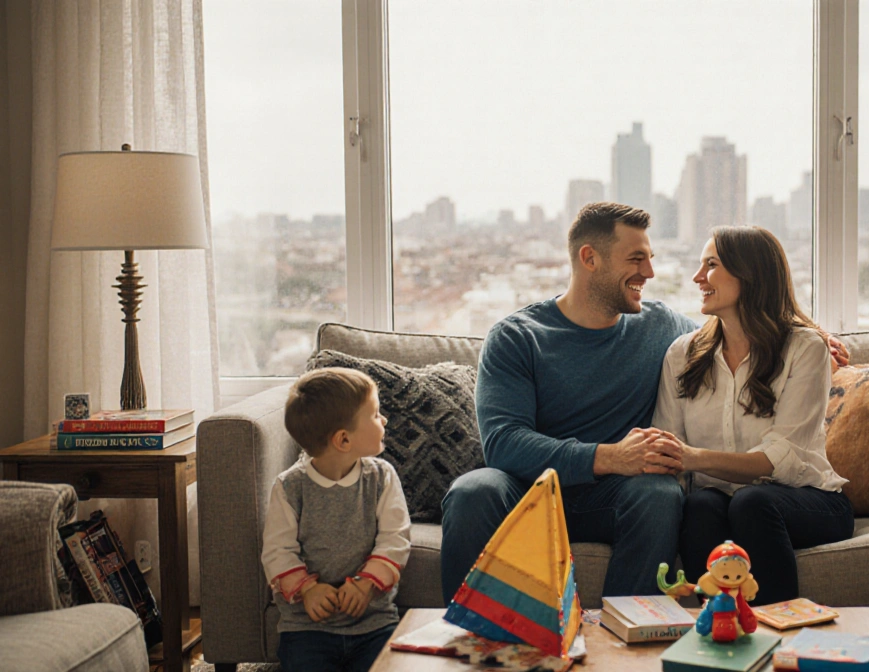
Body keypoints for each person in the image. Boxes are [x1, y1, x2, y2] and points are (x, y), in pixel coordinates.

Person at [439, 202, 698, 603]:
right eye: (636, 259)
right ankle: (474, 643)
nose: (649, 273)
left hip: (611, 501)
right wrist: (610, 457)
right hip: (528, 491)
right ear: (589, 258)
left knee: (659, 493)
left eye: (649, 259)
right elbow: (503, 443)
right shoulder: (517, 336)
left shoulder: (660, 325)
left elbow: (732, 334)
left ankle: (625, 643)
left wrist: (806, 334)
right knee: (473, 491)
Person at [652, 226, 855, 607]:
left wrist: (693, 457)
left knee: (752, 502)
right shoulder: (683, 354)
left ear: (749, 274)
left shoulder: (804, 348)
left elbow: (777, 461)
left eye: (710, 265)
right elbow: (669, 451)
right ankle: (715, 631)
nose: (698, 278)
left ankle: (781, 637)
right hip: (722, 504)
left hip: (807, 501)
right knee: (699, 506)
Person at [262, 367, 412, 672]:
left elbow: (395, 539)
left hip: (374, 624)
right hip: (306, 630)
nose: (384, 421)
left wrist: (366, 584)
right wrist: (308, 590)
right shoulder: (290, 487)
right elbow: (278, 552)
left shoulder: (382, 478)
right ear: (343, 440)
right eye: (375, 415)